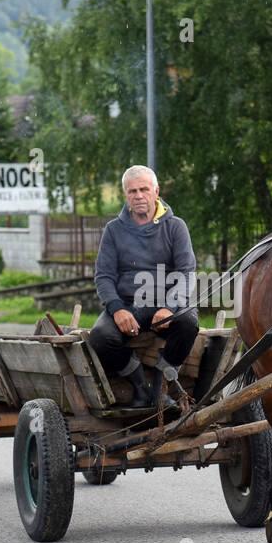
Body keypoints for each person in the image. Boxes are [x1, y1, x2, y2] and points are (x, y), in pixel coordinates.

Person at [90, 165, 200, 409]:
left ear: (156, 191)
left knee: (188, 324)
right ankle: (141, 387)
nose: (138, 196)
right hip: (129, 305)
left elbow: (186, 272)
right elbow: (104, 276)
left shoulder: (176, 227)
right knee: (99, 337)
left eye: (144, 189)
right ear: (126, 195)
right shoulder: (113, 230)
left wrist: (170, 306)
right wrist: (117, 309)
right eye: (132, 191)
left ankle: (161, 386)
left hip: (165, 304)